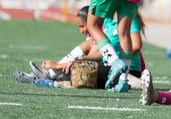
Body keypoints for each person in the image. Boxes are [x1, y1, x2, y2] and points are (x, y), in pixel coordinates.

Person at [14, 6, 146, 91]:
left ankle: (52, 79)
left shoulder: (129, 18)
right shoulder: (106, 21)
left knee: (83, 72)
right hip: (109, 65)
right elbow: (100, 52)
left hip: (128, 70)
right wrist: (79, 60)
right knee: (80, 65)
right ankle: (49, 74)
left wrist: (117, 60)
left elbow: (137, 45)